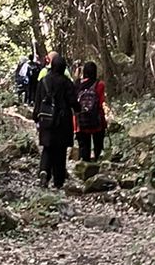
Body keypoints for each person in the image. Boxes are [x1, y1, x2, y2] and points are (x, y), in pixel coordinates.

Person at [33, 51, 76, 189]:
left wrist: (36, 117)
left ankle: (44, 171)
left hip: (46, 119)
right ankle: (58, 181)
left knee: (47, 147)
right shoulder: (67, 82)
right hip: (62, 121)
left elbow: (38, 101)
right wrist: (79, 108)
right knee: (60, 150)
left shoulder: (43, 81)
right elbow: (73, 101)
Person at [75, 60, 107, 161]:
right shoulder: (100, 84)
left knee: (84, 145)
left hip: (81, 120)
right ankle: (98, 161)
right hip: (96, 118)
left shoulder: (77, 84)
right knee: (98, 142)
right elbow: (101, 102)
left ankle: (84, 164)